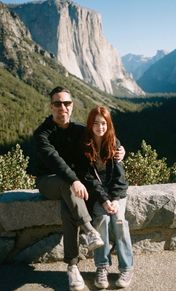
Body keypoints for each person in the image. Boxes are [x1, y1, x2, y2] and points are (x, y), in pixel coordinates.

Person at [33, 87, 125, 291]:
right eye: (57, 103)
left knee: (68, 210)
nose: (62, 107)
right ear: (51, 106)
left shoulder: (78, 131)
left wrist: (120, 149)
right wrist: (74, 180)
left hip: (73, 188)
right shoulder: (42, 134)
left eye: (66, 103)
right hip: (48, 182)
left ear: (72, 106)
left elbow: (101, 141)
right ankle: (89, 230)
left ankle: (72, 267)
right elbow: (55, 162)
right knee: (68, 185)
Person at [77, 106, 134, 289]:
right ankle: (101, 267)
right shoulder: (85, 146)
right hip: (98, 195)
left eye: (103, 123)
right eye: (95, 123)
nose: (99, 127)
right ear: (90, 125)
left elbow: (120, 179)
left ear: (108, 124)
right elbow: (89, 179)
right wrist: (104, 200)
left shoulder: (114, 144)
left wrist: (115, 199)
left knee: (118, 220)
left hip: (117, 194)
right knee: (101, 219)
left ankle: (127, 268)